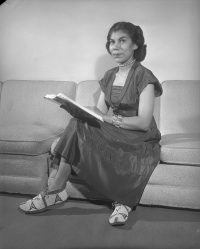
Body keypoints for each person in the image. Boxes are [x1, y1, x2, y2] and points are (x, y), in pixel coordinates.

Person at [19, 21, 163, 226]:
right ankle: (55, 191)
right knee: (77, 123)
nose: (115, 46)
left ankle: (118, 201)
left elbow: (143, 122)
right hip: (117, 130)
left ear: (135, 45)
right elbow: (99, 112)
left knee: (78, 126)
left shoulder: (144, 76)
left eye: (123, 41)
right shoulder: (110, 75)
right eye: (112, 42)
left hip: (140, 136)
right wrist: (76, 109)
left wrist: (108, 119)